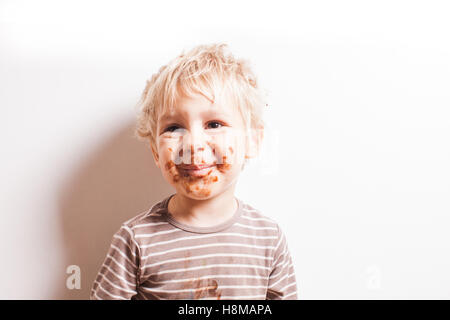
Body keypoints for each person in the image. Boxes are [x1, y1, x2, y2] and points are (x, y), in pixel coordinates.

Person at [90, 43, 297, 300]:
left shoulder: (268, 239)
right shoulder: (136, 240)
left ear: (252, 141)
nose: (193, 144)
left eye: (214, 124)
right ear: (156, 150)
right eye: (174, 128)